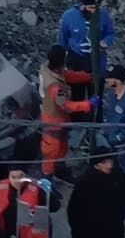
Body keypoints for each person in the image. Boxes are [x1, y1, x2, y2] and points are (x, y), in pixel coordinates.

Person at [38, 47, 92, 177]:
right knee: (52, 152)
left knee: (61, 148)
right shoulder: (56, 87)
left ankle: (60, 171)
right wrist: (88, 104)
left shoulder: (47, 69)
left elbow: (67, 75)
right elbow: (66, 106)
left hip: (57, 119)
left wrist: (88, 77)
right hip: (54, 122)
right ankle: (47, 182)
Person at [99, 64, 125, 209]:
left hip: (123, 144)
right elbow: (110, 114)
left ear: (117, 80)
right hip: (111, 141)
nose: (107, 81)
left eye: (109, 78)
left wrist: (119, 137)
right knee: (113, 171)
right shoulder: (112, 95)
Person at [56, 0, 115, 85]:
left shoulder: (104, 16)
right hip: (76, 59)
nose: (94, 11)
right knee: (76, 90)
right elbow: (62, 39)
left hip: (97, 60)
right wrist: (60, 61)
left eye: (96, 8)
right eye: (91, 8)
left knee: (96, 92)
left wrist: (105, 42)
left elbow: (111, 33)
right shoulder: (69, 16)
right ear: (84, 5)